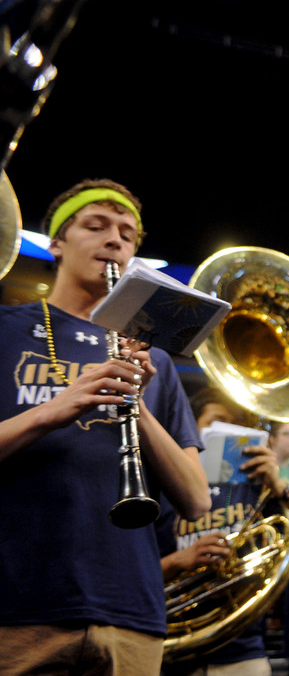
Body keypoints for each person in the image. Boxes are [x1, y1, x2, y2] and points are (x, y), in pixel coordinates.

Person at [0, 179, 211, 676]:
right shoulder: (6, 329)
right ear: (56, 243)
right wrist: (53, 409)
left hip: (130, 611)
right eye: (95, 226)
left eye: (127, 233)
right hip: (16, 609)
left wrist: (137, 404)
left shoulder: (153, 358)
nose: (114, 239)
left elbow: (197, 500)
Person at [158, 388, 289, 676]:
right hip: (176, 653)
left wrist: (278, 484)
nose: (226, 431)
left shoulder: (255, 485)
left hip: (243, 651)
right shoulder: (166, 487)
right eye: (216, 422)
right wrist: (180, 560)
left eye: (234, 425)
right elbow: (139, 574)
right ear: (191, 428)